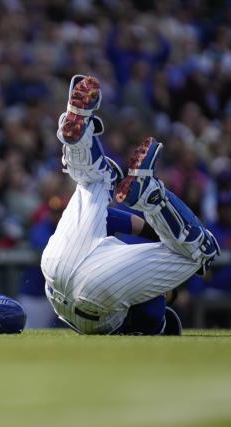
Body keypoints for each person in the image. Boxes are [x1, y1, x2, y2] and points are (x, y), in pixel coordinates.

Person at [40, 75, 220, 335]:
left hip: (61, 270)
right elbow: (109, 221)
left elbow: (149, 310)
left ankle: (80, 139)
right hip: (87, 293)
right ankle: (145, 191)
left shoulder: (153, 305)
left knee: (101, 179)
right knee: (200, 253)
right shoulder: (144, 290)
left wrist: (152, 233)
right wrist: (154, 232)